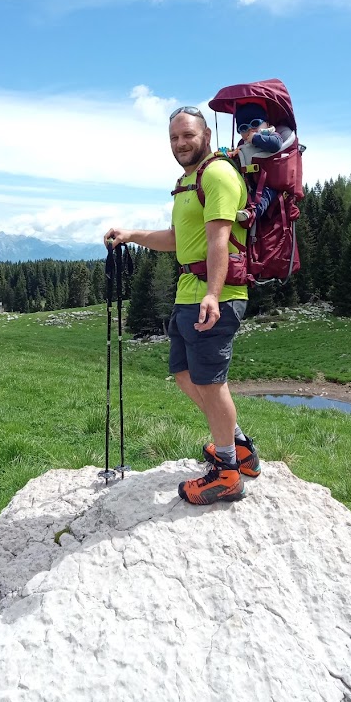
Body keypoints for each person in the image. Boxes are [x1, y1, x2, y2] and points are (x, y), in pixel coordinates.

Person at [104, 105, 261, 505]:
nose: (180, 143)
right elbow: (178, 239)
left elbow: (218, 240)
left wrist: (212, 294)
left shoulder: (217, 174)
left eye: (188, 135)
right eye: (174, 137)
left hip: (215, 295)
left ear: (206, 135)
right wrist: (132, 234)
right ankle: (239, 447)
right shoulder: (187, 182)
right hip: (188, 293)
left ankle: (227, 473)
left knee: (210, 382)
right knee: (185, 375)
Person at [227, 101, 296, 223]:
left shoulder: (272, 135)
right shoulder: (242, 144)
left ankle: (252, 213)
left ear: (267, 124)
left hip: (269, 183)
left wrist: (256, 138)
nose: (250, 130)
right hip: (249, 182)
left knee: (264, 196)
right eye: (243, 128)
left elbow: (275, 145)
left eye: (255, 124)